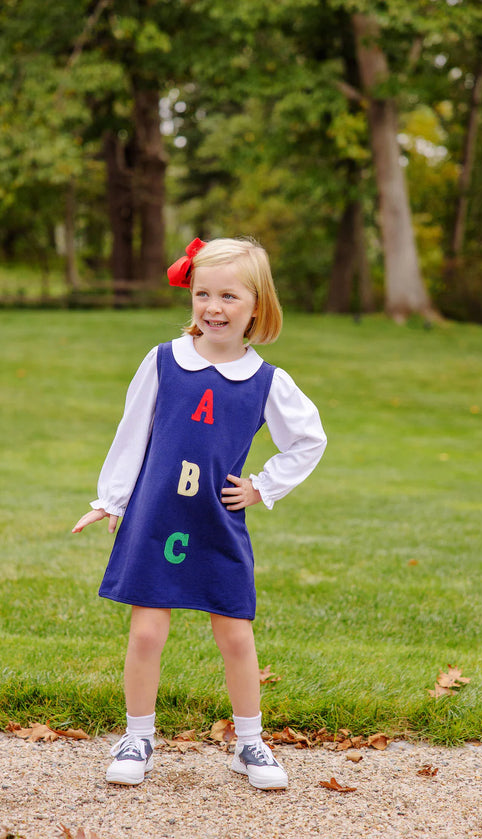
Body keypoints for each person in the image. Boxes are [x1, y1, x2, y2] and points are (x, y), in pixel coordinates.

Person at [72, 237, 326, 790]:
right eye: (203, 293)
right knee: (146, 633)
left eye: (229, 295)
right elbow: (132, 432)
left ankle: (250, 743)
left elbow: (309, 439)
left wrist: (262, 487)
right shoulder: (163, 361)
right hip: (157, 516)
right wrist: (110, 499)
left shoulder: (266, 382)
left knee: (236, 635)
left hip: (217, 523)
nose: (213, 306)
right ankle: (137, 736)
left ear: (256, 306)